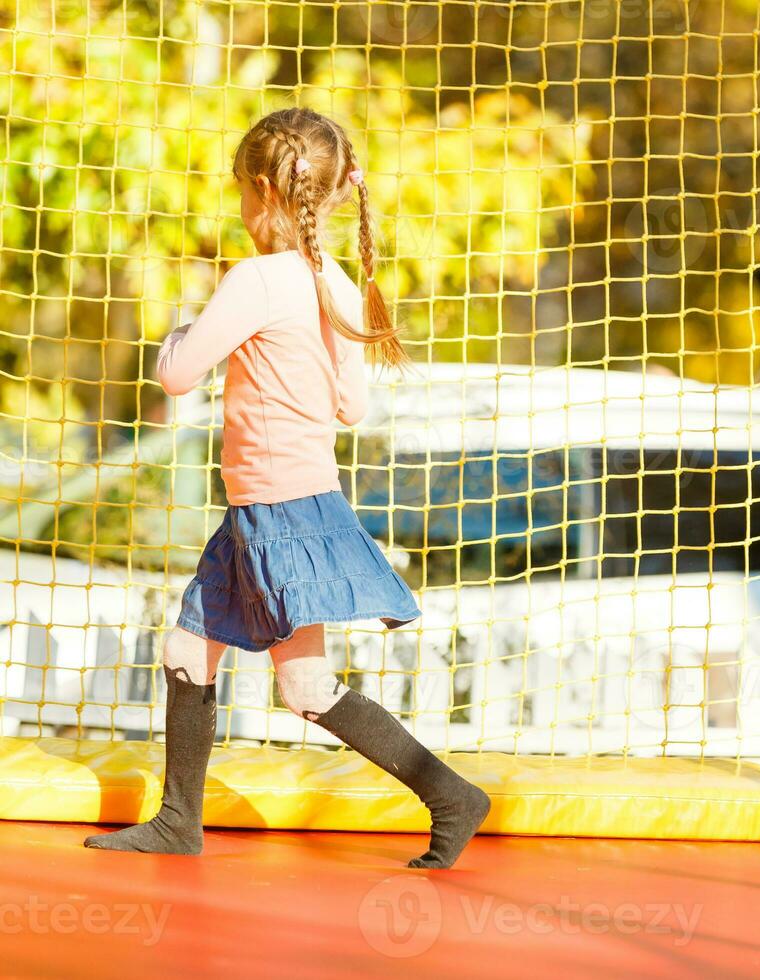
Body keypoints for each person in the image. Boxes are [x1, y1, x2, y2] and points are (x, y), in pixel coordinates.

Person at [84, 107, 490, 868]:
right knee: (216, 659)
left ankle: (448, 795)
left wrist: (179, 333)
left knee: (279, 678)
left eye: (240, 190)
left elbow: (176, 374)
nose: (238, 207)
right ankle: (182, 820)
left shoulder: (257, 280)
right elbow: (352, 407)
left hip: (273, 510)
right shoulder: (330, 279)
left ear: (264, 191)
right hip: (286, 505)